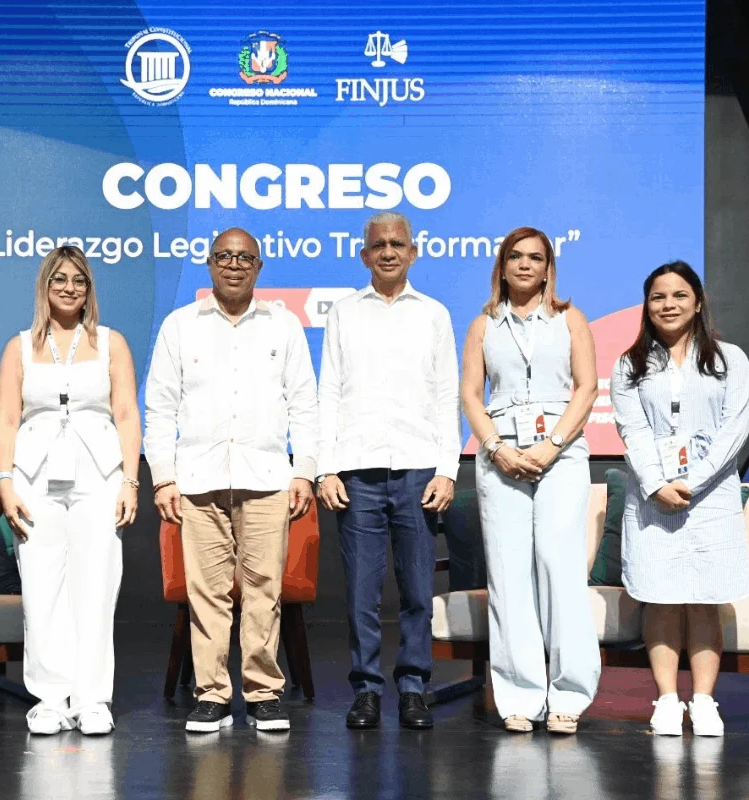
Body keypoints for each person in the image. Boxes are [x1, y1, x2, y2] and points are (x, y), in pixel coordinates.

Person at [144, 227, 318, 734]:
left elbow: (304, 403)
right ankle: (212, 694)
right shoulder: (181, 327)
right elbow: (159, 407)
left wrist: (304, 469)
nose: (235, 265)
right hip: (196, 482)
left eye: (245, 257)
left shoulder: (283, 327)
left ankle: (264, 693)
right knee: (207, 593)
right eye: (224, 256)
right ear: (210, 263)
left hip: (267, 479)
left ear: (259, 267)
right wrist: (162, 478)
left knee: (265, 592)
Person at [316, 210, 459, 731]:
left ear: (413, 252)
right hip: (357, 471)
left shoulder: (434, 315)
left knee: (419, 588)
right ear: (364, 255)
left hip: (420, 471)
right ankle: (367, 689)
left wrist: (448, 470)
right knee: (361, 592)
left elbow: (448, 396)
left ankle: (415, 686)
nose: (388, 251)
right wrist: (326, 468)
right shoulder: (344, 314)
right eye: (378, 245)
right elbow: (327, 391)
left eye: (397, 243)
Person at [0, 245, 141, 736]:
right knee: (40, 587)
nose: (69, 287)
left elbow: (125, 412)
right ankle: (51, 698)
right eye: (60, 279)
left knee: (97, 586)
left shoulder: (111, 343)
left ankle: (93, 698)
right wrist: (5, 481)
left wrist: (130, 480)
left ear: (89, 289)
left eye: (79, 280)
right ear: (45, 285)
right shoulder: (18, 345)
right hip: (33, 478)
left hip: (99, 476)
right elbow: (7, 418)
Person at [460, 226, 601, 735]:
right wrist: (497, 447)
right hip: (500, 453)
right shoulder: (483, 324)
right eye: (515, 256)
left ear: (548, 267)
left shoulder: (570, 319)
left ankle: (570, 694)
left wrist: (551, 445)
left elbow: (587, 388)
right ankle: (518, 696)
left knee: (559, 566)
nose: (524, 265)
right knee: (509, 573)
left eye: (535, 258)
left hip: (560, 451)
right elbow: (472, 396)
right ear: (501, 265)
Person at [611, 261, 749, 737]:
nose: (668, 305)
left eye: (678, 295)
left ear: (697, 301)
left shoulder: (730, 359)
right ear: (646, 306)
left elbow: (735, 429)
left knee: (704, 598)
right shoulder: (629, 365)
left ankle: (706, 701)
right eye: (658, 297)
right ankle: (668, 700)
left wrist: (692, 481)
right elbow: (632, 430)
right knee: (662, 598)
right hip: (652, 497)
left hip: (709, 498)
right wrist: (656, 483)